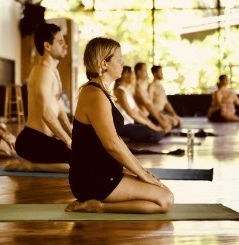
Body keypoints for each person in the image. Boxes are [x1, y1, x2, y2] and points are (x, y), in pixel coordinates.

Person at [67, 37, 174, 214]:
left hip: (105, 172)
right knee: (165, 200)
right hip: (92, 179)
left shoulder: (100, 92)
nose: (122, 63)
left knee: (164, 193)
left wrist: (142, 171)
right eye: (118, 59)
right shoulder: (94, 95)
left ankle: (99, 203)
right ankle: (98, 206)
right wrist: (142, 174)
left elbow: (116, 140)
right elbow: (112, 145)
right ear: (104, 64)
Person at [8, 23, 72, 172]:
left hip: (45, 139)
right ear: (47, 46)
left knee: (87, 156)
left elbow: (59, 107)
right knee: (82, 163)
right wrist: (67, 140)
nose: (66, 46)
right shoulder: (42, 72)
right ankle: (31, 165)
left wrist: (71, 135)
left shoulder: (53, 71)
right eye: (60, 42)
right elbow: (45, 113)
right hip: (32, 141)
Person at [113, 66, 164, 143]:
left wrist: (150, 123)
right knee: (157, 134)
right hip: (124, 126)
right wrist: (150, 125)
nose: (134, 76)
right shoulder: (120, 91)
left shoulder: (127, 91)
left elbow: (137, 110)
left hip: (130, 124)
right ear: (126, 75)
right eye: (132, 74)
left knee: (158, 132)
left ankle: (128, 139)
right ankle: (125, 139)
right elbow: (131, 113)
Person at [133, 62, 172, 133]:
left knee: (169, 124)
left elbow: (150, 105)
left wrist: (160, 117)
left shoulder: (143, 86)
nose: (147, 73)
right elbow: (148, 106)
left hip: (148, 116)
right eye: (145, 71)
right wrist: (160, 121)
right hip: (143, 118)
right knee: (165, 128)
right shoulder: (137, 87)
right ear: (139, 72)